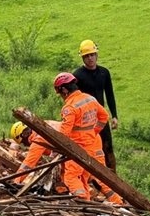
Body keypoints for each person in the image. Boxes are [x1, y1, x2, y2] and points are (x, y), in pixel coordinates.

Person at [53, 72, 123, 204]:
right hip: (92, 146)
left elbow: (63, 135)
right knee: (85, 177)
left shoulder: (69, 107)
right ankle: (117, 202)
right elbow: (104, 117)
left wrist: (57, 150)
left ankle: (83, 201)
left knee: (71, 177)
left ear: (64, 90)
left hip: (77, 149)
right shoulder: (89, 99)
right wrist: (93, 132)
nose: (61, 96)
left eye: (60, 93)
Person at [73, 39, 120, 171]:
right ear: (82, 58)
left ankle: (112, 176)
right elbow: (74, 100)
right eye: (87, 56)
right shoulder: (77, 76)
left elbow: (109, 94)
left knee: (107, 147)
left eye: (92, 54)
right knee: (90, 149)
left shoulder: (104, 73)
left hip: (101, 117)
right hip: (86, 120)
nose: (90, 58)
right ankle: (93, 177)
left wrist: (114, 116)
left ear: (96, 55)